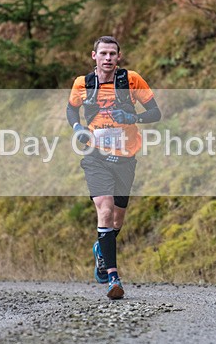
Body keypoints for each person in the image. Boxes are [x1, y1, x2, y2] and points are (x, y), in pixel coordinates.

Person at [67, 36, 161, 299]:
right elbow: (71, 110)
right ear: (94, 56)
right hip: (95, 156)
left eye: (112, 54)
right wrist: (78, 127)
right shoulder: (83, 84)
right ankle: (113, 278)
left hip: (125, 158)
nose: (107, 58)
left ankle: (101, 248)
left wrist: (133, 117)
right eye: (103, 53)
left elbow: (155, 112)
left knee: (117, 220)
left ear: (118, 57)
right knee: (105, 210)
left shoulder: (131, 80)